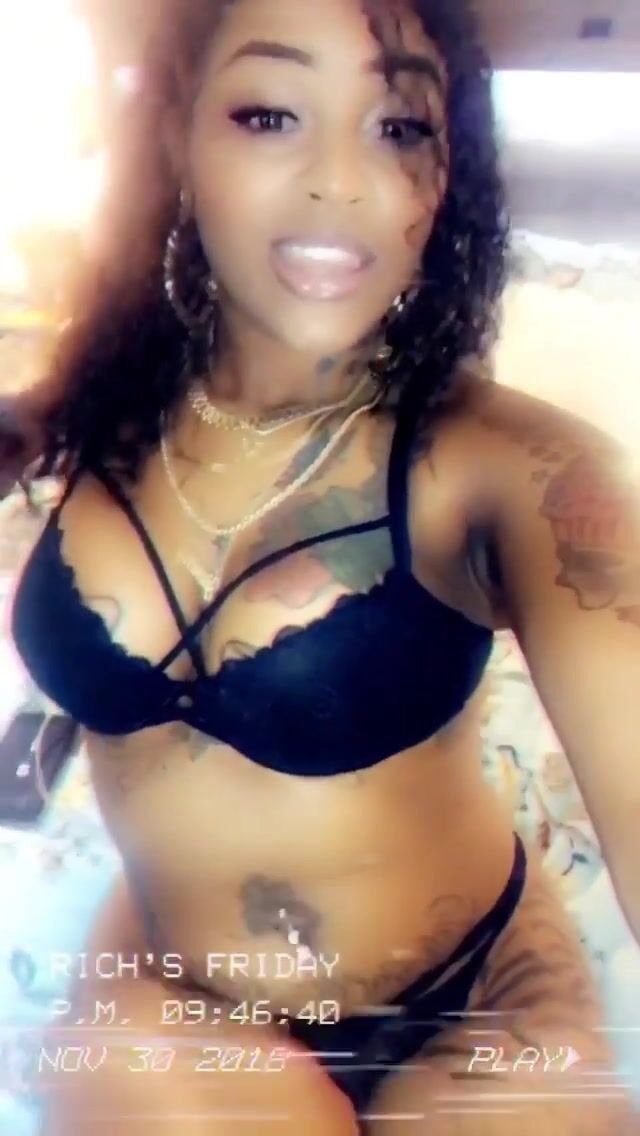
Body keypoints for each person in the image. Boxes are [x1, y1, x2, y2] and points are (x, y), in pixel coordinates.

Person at [2, 0, 638, 1133]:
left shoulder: (514, 470)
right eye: (270, 114)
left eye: (399, 126)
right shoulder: (103, 397)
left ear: (446, 175)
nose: (341, 183)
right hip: (172, 991)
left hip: (475, 992)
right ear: (178, 137)